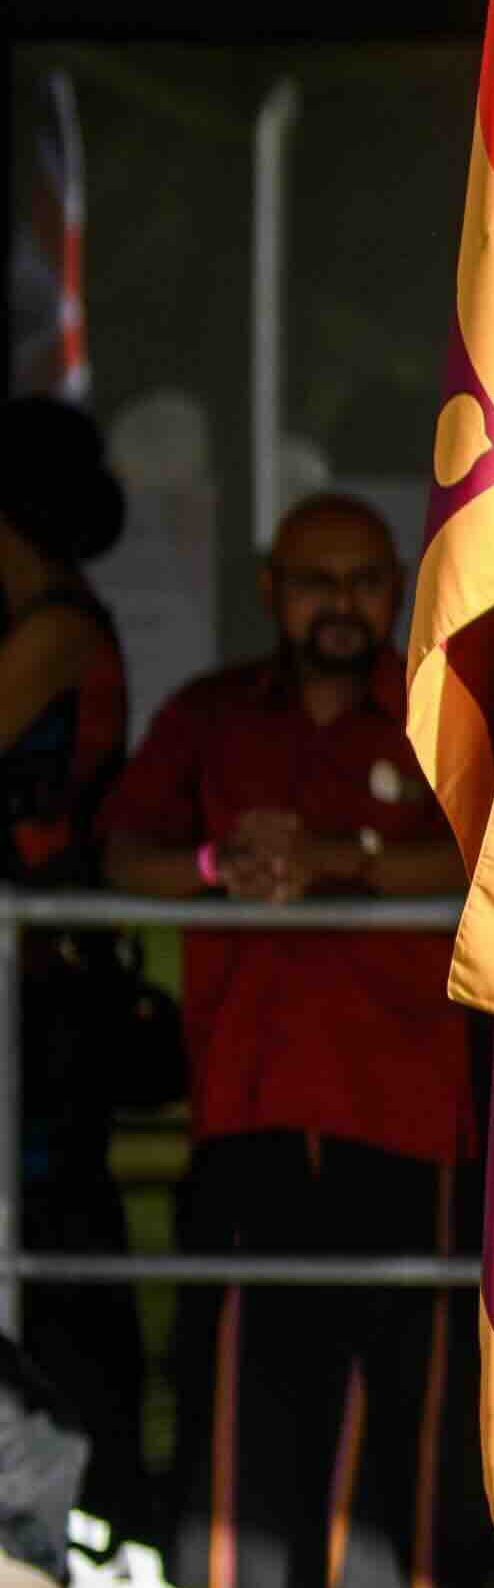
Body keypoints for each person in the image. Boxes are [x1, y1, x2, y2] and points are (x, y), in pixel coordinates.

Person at [98, 492, 471, 1588]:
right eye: (318, 581)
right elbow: (123, 854)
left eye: (365, 579)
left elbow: (492, 861)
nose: (343, 603)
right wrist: (223, 865)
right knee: (237, 1392)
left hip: (409, 1110)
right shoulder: (209, 717)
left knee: (404, 1401)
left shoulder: (437, 706)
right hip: (249, 1103)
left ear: (399, 581)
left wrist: (337, 861)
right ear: (271, 589)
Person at [0, 398, 143, 1510]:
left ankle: (82, 1496)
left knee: (50, 1239)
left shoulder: (51, 627)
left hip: (42, 976)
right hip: (37, 966)